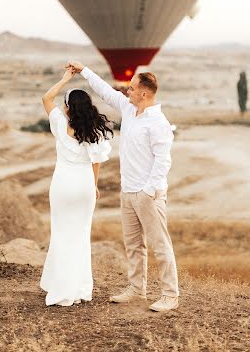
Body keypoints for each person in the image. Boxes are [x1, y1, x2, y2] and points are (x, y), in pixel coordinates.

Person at [66, 61, 179, 313]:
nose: (127, 91)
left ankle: (170, 295)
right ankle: (136, 288)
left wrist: (149, 190)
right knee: (133, 244)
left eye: (131, 88)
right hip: (127, 190)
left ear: (144, 93)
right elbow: (105, 91)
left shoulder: (158, 123)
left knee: (160, 245)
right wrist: (84, 70)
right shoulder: (129, 110)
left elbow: (163, 161)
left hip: (148, 193)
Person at [40, 68, 113, 306]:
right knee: (81, 236)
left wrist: (65, 79)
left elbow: (46, 99)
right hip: (84, 187)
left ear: (69, 107)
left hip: (63, 185)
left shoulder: (60, 123)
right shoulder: (95, 132)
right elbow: (96, 162)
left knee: (61, 234)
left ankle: (61, 289)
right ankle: (80, 289)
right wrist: (93, 186)